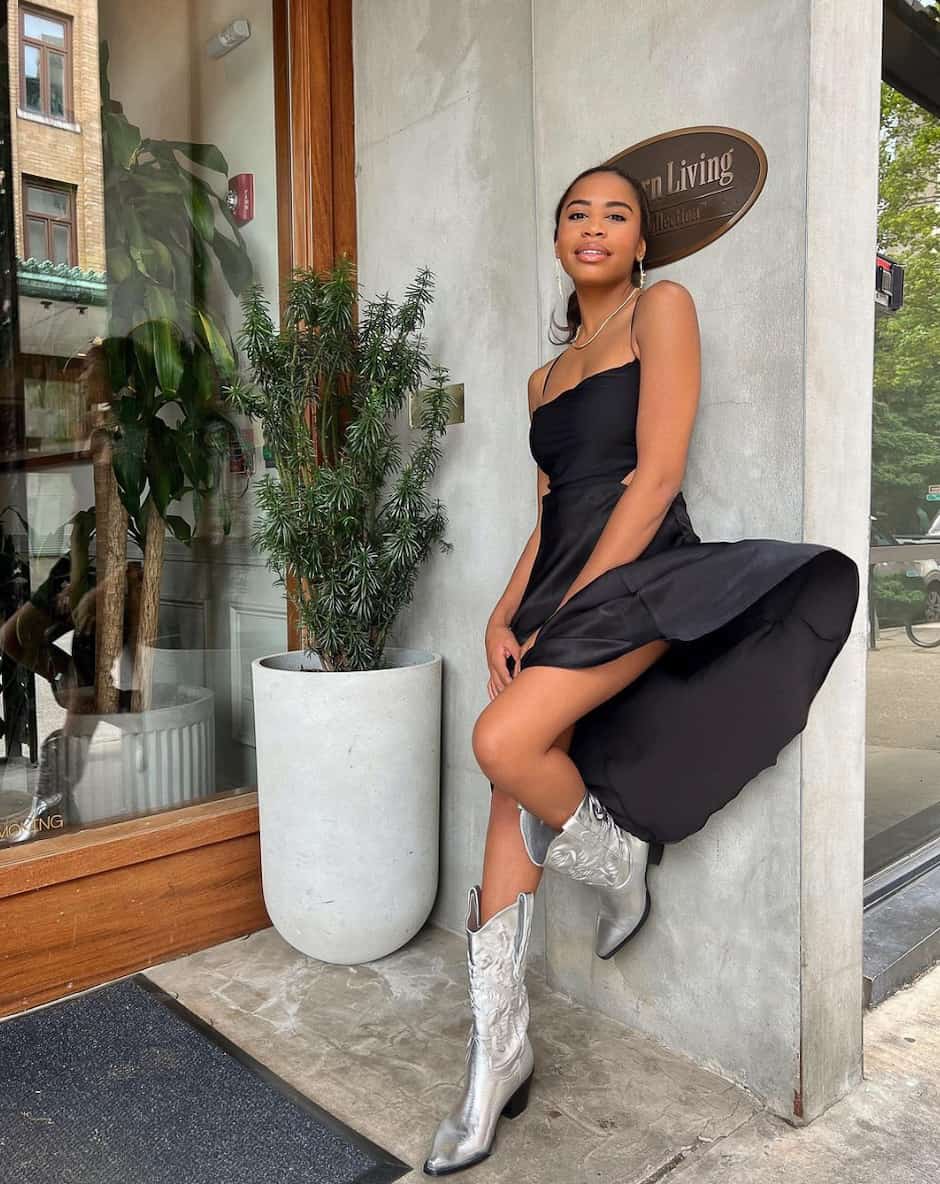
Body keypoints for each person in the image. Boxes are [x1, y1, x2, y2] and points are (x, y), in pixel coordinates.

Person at [422, 163, 860, 1176]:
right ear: (558, 237)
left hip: (643, 574)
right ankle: (498, 1055)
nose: (594, 226)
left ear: (639, 243)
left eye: (616, 213)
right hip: (556, 583)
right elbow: (548, 515)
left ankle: (618, 860)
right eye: (576, 211)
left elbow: (655, 472)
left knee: (500, 739)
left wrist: (577, 603)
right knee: (506, 784)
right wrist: (503, 608)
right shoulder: (541, 378)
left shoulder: (662, 309)